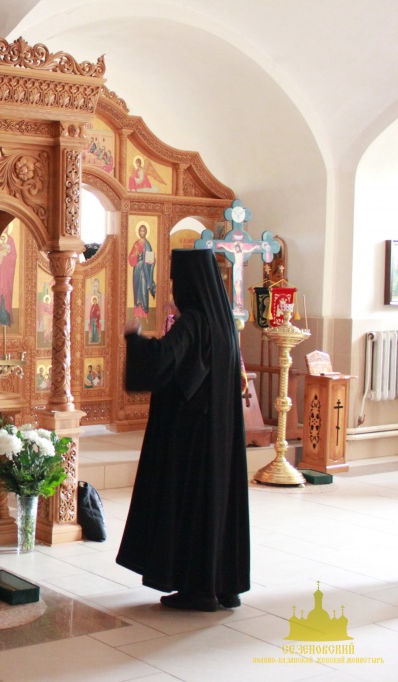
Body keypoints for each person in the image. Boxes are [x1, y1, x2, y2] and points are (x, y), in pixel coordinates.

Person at [117, 248, 249, 611]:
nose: (175, 290)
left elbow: (164, 360)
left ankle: (198, 591)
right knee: (218, 506)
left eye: (177, 283)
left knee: (194, 507)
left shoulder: (194, 322)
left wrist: (134, 338)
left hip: (194, 440)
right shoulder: (223, 323)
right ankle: (225, 586)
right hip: (220, 437)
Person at [127, 223, 156, 319]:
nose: (142, 232)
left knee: (143, 289)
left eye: (143, 231)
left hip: (145, 271)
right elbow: (130, 258)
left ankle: (144, 312)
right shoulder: (136, 244)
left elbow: (150, 259)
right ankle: (137, 312)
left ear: (146, 232)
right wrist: (135, 254)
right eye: (140, 230)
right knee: (137, 289)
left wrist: (152, 262)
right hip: (137, 269)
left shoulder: (148, 244)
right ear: (138, 232)